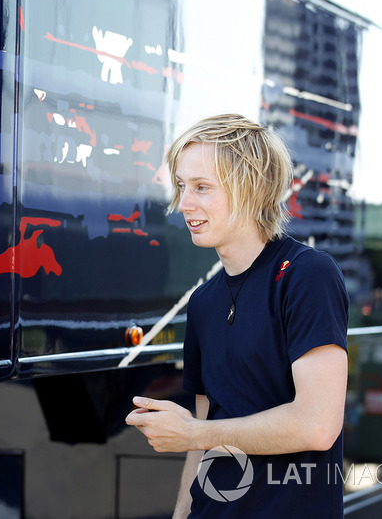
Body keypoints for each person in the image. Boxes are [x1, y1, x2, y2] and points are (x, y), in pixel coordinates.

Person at [125, 114, 349, 518]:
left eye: (202, 187)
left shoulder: (307, 275)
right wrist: (182, 513)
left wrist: (195, 433)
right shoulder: (203, 302)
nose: (184, 204)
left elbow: (317, 424)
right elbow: (204, 426)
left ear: (250, 188)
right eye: (181, 186)